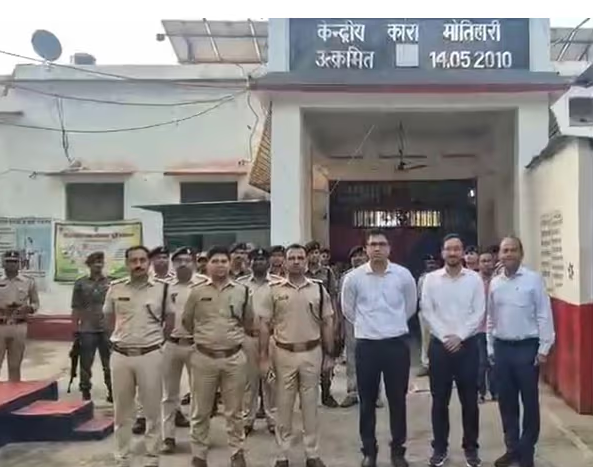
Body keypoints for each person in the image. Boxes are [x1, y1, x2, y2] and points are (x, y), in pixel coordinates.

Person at [341, 230, 417, 467]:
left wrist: (391, 325)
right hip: (367, 346)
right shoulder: (354, 278)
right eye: (372, 244)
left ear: (389, 248)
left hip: (396, 345)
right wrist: (369, 327)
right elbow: (348, 310)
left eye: (382, 244)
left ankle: (398, 452)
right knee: (367, 402)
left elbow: (410, 306)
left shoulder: (403, 275)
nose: (377, 248)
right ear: (366, 249)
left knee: (397, 401)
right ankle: (369, 452)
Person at [258, 243, 335, 467]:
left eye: (300, 258)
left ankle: (312, 453)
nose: (296, 262)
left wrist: (330, 354)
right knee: (283, 406)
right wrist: (264, 357)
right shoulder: (273, 290)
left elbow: (327, 323)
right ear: (284, 262)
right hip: (283, 353)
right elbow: (264, 325)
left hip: (312, 352)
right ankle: (282, 455)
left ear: (306, 261)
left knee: (310, 407)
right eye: (292, 258)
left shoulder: (318, 289)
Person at [182, 246, 254, 467]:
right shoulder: (196, 292)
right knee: (201, 410)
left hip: (234, 358)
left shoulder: (242, 291)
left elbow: (248, 321)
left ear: (230, 264)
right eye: (215, 261)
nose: (220, 265)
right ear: (207, 265)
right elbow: (187, 321)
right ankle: (199, 454)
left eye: (224, 261)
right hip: (204, 357)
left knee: (234, 411)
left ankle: (237, 452)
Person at [103, 245, 174, 467]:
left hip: (150, 354)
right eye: (133, 261)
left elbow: (170, 320)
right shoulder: (115, 288)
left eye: (143, 260)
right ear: (127, 264)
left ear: (148, 263)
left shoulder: (162, 289)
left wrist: (158, 343)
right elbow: (108, 319)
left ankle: (152, 458)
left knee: (152, 410)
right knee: (122, 411)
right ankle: (122, 457)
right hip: (121, 355)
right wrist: (117, 339)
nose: (138, 265)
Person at [488, 237, 555, 467]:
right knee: (506, 403)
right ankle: (512, 449)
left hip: (527, 348)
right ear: (499, 255)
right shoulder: (495, 283)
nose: (508, 254)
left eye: (513, 250)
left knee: (530, 402)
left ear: (521, 253)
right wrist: (490, 347)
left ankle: (527, 452)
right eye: (504, 250)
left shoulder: (533, 280)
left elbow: (544, 314)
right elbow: (491, 317)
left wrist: (544, 347)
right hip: (502, 348)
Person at [421, 234, 486, 467]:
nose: (453, 253)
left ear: (463, 253)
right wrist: (445, 336)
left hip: (467, 346)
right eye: (448, 249)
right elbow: (427, 311)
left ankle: (471, 449)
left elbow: (479, 311)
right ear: (442, 252)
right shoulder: (431, 280)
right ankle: (439, 449)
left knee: (470, 402)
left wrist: (460, 336)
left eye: (457, 249)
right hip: (440, 347)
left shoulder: (474, 279)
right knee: (440, 401)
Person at [161, 247, 208, 454]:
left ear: (194, 262)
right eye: (178, 260)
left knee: (199, 394)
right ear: (173, 264)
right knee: (169, 394)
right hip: (171, 344)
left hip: (197, 345)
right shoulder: (164, 286)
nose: (183, 264)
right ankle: (168, 437)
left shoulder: (204, 284)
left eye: (187, 260)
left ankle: (198, 437)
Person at [237, 248, 282, 435]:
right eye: (255, 259)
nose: (259, 262)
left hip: (271, 338)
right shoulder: (240, 284)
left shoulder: (278, 284)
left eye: (263, 259)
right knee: (249, 381)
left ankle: (273, 420)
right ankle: (247, 419)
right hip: (248, 337)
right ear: (250, 263)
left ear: (269, 262)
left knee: (271, 379)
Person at [133, 245, 175, 434]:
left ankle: (175, 412)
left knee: (171, 381)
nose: (162, 260)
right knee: (145, 379)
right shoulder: (145, 282)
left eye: (165, 257)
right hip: (148, 338)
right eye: (158, 257)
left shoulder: (176, 281)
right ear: (151, 261)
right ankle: (142, 415)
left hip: (172, 337)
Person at [339, 245, 382, 409]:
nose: (357, 258)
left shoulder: (376, 275)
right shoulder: (345, 277)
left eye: (361, 255)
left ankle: (375, 395)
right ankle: (352, 392)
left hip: (373, 322)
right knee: (352, 358)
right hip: (351, 323)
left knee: (374, 358)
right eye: (354, 256)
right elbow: (341, 302)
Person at [70, 251, 112, 402]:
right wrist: (75, 327)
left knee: (109, 363)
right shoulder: (80, 283)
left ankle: (112, 391)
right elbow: (76, 307)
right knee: (85, 363)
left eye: (100, 262)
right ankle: (85, 391)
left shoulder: (111, 283)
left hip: (107, 328)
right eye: (95, 262)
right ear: (89, 265)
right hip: (87, 329)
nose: (98, 265)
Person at [305, 240, 340, 408]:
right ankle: (308, 395)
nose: (315, 256)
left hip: (324, 319)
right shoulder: (302, 273)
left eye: (317, 253)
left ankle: (326, 393)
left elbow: (333, 296)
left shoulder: (327, 272)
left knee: (327, 357)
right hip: (306, 320)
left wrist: (335, 320)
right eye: (311, 253)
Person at [0, 250, 39, 382]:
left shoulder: (28, 282)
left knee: (15, 365)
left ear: (20, 264)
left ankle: (14, 392)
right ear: (3, 263)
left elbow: (35, 303)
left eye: (15, 262)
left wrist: (29, 308)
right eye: (8, 262)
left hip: (19, 326)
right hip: (0, 325)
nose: (12, 264)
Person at [477, 249, 497, 403]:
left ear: (494, 262)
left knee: (494, 362)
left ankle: (495, 392)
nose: (486, 264)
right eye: (483, 261)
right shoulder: (474, 282)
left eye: (488, 261)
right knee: (481, 363)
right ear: (478, 264)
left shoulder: (499, 281)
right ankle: (480, 392)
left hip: (495, 328)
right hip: (478, 329)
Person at [417, 254, 440, 377]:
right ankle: (426, 364)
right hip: (425, 312)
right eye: (429, 263)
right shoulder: (422, 278)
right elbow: (418, 296)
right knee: (425, 340)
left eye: (433, 263)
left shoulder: (442, 277)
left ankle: (439, 365)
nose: (431, 265)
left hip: (440, 313)